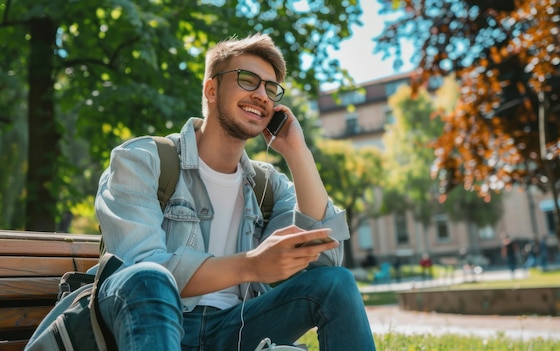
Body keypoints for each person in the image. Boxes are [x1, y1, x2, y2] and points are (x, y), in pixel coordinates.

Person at [91, 33, 375, 351]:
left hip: (236, 329)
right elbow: (139, 271)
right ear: (211, 90)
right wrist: (251, 264)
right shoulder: (143, 159)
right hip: (150, 325)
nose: (262, 96)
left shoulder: (267, 184)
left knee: (336, 283)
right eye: (248, 80)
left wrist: (298, 152)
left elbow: (326, 257)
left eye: (271, 89)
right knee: (148, 280)